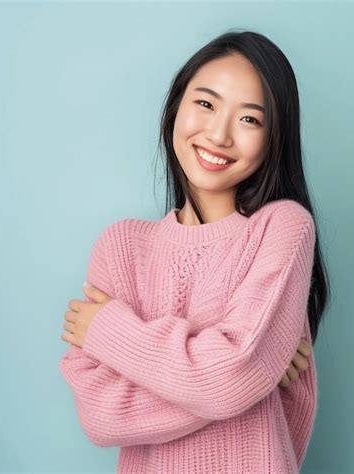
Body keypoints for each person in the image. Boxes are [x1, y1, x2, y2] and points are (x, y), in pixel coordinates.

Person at [59, 29, 330, 473]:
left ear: (273, 139)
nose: (219, 134)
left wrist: (111, 332)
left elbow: (229, 379)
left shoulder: (282, 228)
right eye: (205, 104)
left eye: (250, 119)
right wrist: (254, 374)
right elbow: (100, 416)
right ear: (175, 109)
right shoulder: (122, 247)